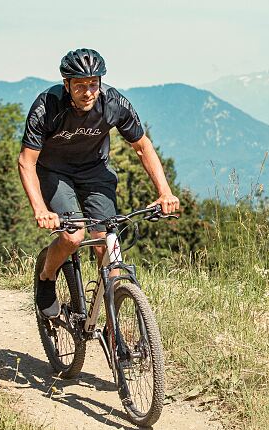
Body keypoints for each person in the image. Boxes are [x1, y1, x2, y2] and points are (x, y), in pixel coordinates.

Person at [18, 48, 180, 317]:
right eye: (80, 85)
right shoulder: (47, 107)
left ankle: (112, 323)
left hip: (95, 171)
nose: (88, 91)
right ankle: (46, 277)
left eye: (94, 84)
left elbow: (142, 146)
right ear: (66, 84)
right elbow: (26, 161)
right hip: (55, 173)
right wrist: (40, 209)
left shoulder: (114, 104)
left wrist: (165, 192)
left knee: (108, 238)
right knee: (73, 236)